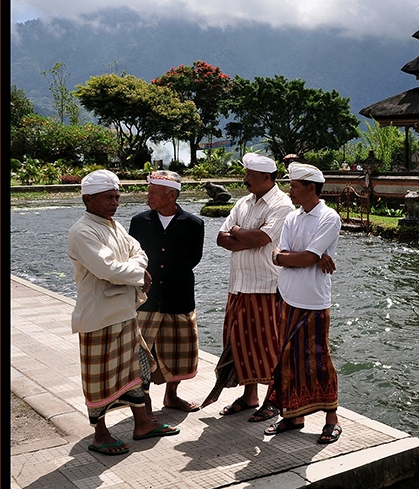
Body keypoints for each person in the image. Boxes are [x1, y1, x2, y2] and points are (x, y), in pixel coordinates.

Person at [67, 169, 179, 455]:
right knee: (99, 377)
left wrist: (133, 270)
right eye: (108, 197)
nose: (114, 202)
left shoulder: (112, 226)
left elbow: (138, 253)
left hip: (125, 312)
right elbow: (107, 269)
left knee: (138, 369)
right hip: (99, 316)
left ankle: (142, 422)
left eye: (117, 197)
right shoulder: (82, 231)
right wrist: (139, 275)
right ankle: (100, 434)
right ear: (88, 199)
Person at [252, 162, 343, 444]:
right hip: (288, 295)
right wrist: (299, 257)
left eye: (293, 186)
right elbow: (281, 253)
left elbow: (304, 258)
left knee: (319, 360)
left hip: (314, 301)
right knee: (287, 358)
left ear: (311, 188)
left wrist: (300, 257)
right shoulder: (293, 217)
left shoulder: (329, 217)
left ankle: (332, 418)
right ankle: (293, 415)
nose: (289, 191)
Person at [201, 153, 294, 420]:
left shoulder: (281, 204)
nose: (245, 180)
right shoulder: (243, 203)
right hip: (239, 284)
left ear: (266, 177)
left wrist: (241, 233)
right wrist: (247, 236)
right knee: (239, 342)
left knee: (268, 344)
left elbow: (262, 238)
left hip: (266, 286)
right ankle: (249, 395)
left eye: (250, 176)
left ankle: (274, 400)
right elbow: (221, 238)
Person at [128, 170, 205, 415]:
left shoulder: (193, 224)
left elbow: (193, 259)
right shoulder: (139, 221)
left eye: (153, 193)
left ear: (171, 195)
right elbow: (132, 256)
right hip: (147, 299)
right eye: (148, 192)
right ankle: (145, 402)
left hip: (178, 296)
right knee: (142, 352)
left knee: (180, 350)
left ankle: (171, 396)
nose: (148, 197)